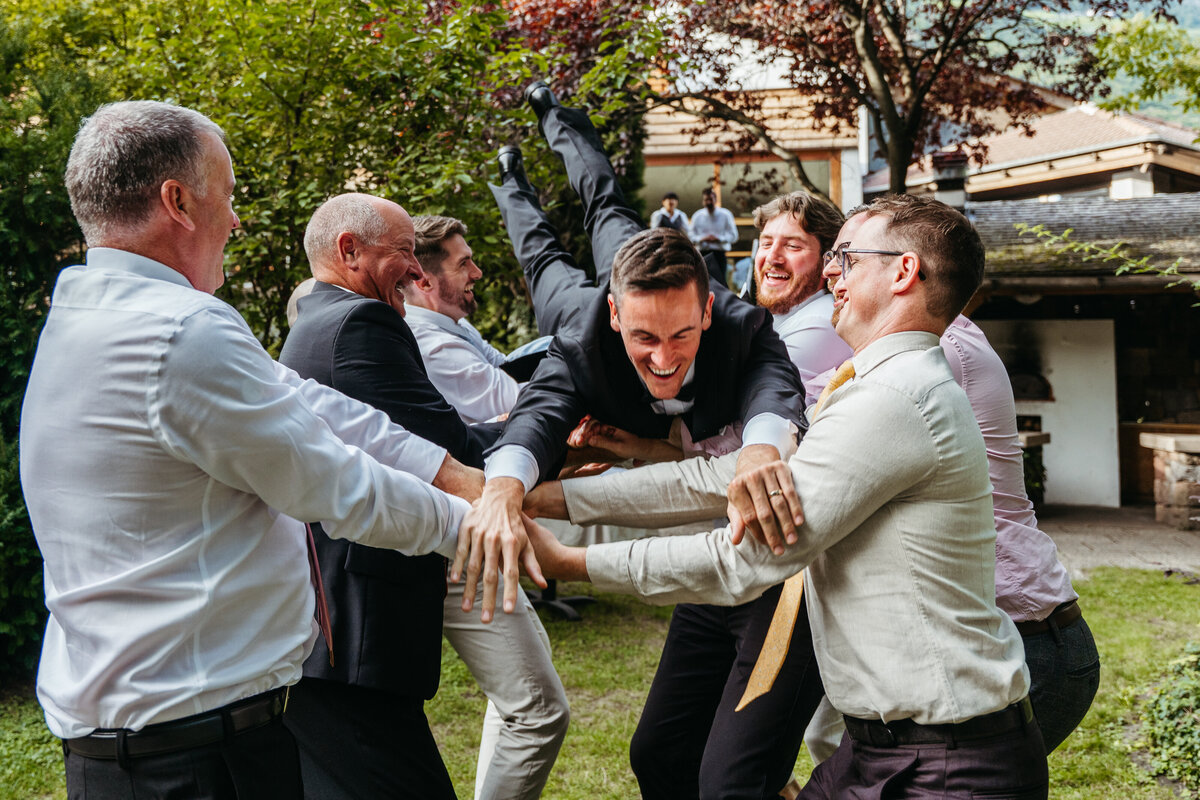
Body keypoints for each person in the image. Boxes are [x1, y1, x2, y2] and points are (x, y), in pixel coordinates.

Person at [19, 100, 490, 799]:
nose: (236, 220)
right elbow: (335, 484)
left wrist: (449, 471)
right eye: (228, 195)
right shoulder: (181, 330)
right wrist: (479, 528)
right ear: (178, 201)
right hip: (196, 758)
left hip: (133, 749)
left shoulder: (90, 308)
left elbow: (303, 398)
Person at [524, 194, 1049, 799]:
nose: (830, 274)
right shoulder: (873, 386)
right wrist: (553, 499)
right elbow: (723, 478)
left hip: (947, 768)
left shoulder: (897, 397)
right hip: (883, 750)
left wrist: (572, 561)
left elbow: (747, 556)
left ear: (904, 272)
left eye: (847, 259)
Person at [461, 82, 814, 800]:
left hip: (762, 573)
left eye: (681, 335)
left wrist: (760, 449)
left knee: (605, 204)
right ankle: (509, 177)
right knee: (541, 255)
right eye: (645, 338)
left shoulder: (741, 325)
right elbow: (537, 417)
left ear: (707, 311)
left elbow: (776, 387)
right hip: (579, 302)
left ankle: (560, 114)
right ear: (617, 318)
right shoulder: (581, 340)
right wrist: (502, 489)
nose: (663, 358)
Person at [280, 196, 568, 800]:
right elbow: (448, 447)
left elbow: (409, 440)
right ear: (349, 251)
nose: (417, 271)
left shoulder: (318, 321)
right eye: (405, 253)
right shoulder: (361, 323)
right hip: (363, 610)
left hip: (349, 605)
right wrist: (551, 438)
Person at [402, 215, 520, 424]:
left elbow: (504, 366)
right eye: (463, 264)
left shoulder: (449, 319)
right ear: (425, 283)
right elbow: (515, 399)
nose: (478, 273)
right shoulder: (434, 348)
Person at [750, 192, 853, 404]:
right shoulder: (784, 316)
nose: (772, 258)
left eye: (793, 246)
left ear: (827, 262)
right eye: (766, 244)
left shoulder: (823, 320)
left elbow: (750, 404)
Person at [689, 187, 739, 287]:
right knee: (702, 283)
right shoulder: (697, 216)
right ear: (703, 201)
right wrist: (701, 239)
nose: (708, 202)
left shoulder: (725, 215)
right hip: (702, 254)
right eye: (706, 200)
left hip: (719, 254)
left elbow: (734, 236)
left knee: (720, 284)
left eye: (710, 199)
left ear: (715, 200)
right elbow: (690, 236)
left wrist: (719, 238)